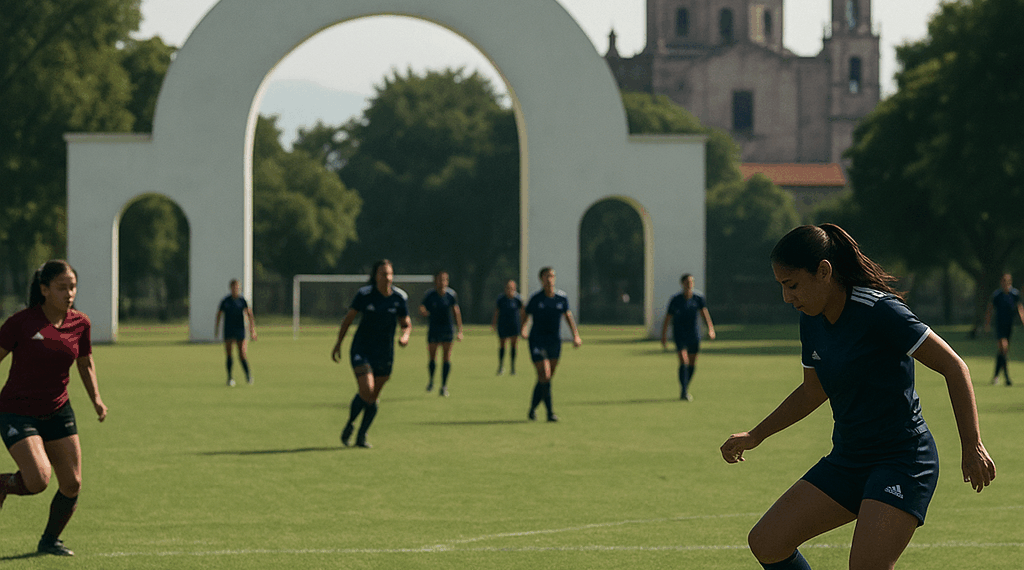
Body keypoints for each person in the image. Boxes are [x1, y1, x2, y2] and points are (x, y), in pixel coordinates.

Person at [720, 224, 996, 570]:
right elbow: (813, 390)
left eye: (792, 285)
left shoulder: (879, 311)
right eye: (781, 287)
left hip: (902, 460)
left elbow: (955, 367)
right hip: (849, 459)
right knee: (767, 542)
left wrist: (972, 445)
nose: (787, 298)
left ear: (824, 271)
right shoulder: (811, 317)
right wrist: (756, 434)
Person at [0, 260, 109, 557]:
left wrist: (96, 399)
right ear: (45, 290)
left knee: (72, 483)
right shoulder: (21, 323)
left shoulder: (80, 323)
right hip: (17, 411)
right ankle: (2, 484)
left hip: (58, 411)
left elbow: (85, 363)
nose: (69, 293)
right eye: (62, 287)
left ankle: (49, 541)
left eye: (72, 287)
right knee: (38, 480)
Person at [331, 260, 411, 448]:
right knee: (366, 388)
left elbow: (405, 322)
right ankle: (350, 423)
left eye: (390, 274)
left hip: (385, 354)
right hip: (362, 349)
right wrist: (338, 344)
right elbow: (348, 319)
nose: (388, 278)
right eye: (383, 274)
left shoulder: (399, 298)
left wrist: (405, 336)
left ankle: (362, 434)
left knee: (373, 397)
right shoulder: (364, 295)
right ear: (376, 276)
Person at [521, 267, 582, 422]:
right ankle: (550, 413)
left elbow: (567, 316)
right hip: (537, 341)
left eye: (552, 276)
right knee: (545, 374)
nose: (549, 279)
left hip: (554, 342)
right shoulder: (536, 299)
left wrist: (576, 335)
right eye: (546, 276)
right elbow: (525, 314)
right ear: (541, 279)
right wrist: (523, 329)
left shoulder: (561, 298)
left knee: (544, 378)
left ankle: (532, 409)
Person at [660, 273, 716, 401]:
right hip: (680, 334)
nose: (689, 284)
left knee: (692, 363)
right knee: (683, 361)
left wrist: (711, 329)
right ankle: (684, 391)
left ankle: (684, 387)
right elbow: (668, 318)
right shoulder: (675, 299)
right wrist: (664, 336)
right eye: (687, 282)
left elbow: (704, 314)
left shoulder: (698, 298)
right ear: (682, 284)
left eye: (691, 282)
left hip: (693, 334)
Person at [419, 271, 463, 397]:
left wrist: (460, 330)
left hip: (447, 330)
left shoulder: (451, 295)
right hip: (434, 329)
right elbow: (422, 307)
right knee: (432, 357)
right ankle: (431, 381)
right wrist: (423, 312)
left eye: (444, 280)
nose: (442, 282)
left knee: (446, 358)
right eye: (439, 279)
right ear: (435, 281)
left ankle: (444, 386)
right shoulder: (430, 295)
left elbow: (456, 312)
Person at [214, 279, 257, 386]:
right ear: (231, 288)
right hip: (228, 329)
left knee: (242, 353)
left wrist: (252, 330)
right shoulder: (226, 301)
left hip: (239, 329)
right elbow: (219, 314)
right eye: (234, 287)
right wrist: (217, 328)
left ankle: (248, 375)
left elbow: (250, 315)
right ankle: (230, 378)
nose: (235, 289)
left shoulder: (242, 301)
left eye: (237, 287)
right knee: (229, 354)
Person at [984, 273, 1024, 386]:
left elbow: (1020, 308)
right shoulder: (997, 295)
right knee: (1003, 347)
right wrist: (987, 324)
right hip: (999, 326)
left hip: (1009, 326)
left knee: (1002, 352)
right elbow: (990, 309)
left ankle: (996, 376)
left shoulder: (1014, 294)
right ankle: (1007, 377)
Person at [492, 279, 523, 375]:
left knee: (513, 345)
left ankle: (513, 368)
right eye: (508, 288)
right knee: (502, 345)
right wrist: (494, 323)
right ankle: (501, 366)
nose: (509, 290)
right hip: (503, 324)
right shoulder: (501, 299)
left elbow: (523, 312)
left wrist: (523, 325)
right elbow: (497, 312)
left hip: (514, 325)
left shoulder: (518, 299)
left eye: (512, 288)